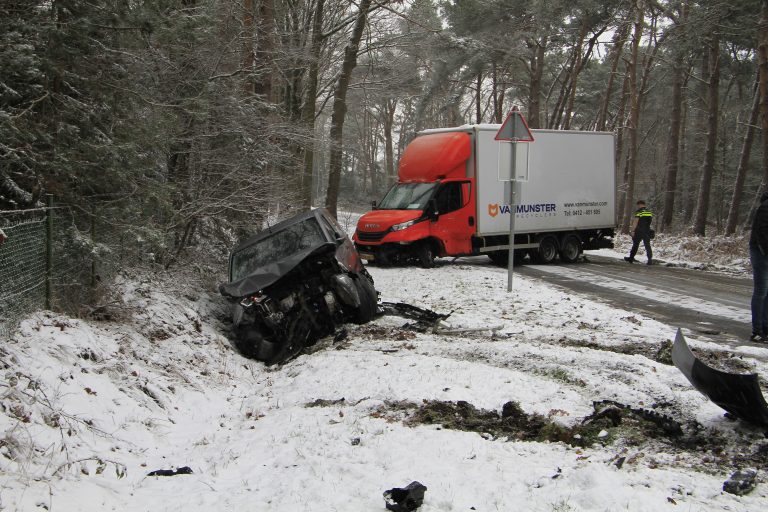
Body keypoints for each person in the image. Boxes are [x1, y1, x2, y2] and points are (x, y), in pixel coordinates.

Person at [749, 192, 768, 342]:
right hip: (760, 252)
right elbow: (761, 231)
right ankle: (757, 330)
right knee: (761, 290)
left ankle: (765, 328)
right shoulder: (765, 207)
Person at [624, 200, 653, 265]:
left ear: (639, 204)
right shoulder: (649, 212)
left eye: (638, 205)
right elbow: (649, 222)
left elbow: (635, 222)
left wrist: (632, 231)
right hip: (647, 231)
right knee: (647, 245)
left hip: (639, 231)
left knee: (635, 245)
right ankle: (650, 260)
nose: (638, 207)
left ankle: (631, 258)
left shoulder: (639, 212)